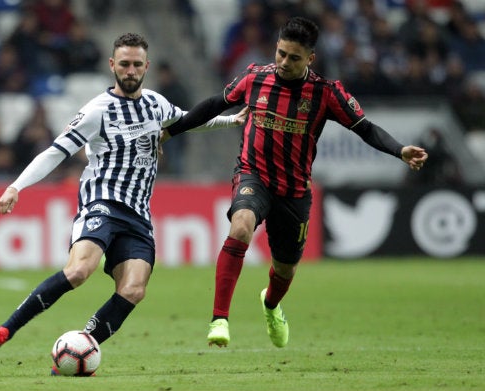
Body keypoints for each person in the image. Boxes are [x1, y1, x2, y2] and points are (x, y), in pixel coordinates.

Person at [0, 33, 245, 363]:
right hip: (102, 203)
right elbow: (56, 151)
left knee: (133, 290)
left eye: (137, 65)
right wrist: (16, 186)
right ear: (113, 65)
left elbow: (187, 121)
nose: (130, 70)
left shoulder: (156, 104)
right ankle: (3, 332)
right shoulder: (96, 111)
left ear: (147, 66)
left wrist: (231, 119)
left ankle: (82, 347)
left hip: (138, 216)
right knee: (79, 271)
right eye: (124, 64)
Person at [164, 17, 429, 349]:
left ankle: (271, 304)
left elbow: (366, 128)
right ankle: (219, 318)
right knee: (241, 226)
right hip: (253, 175)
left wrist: (399, 150)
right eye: (280, 53)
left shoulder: (326, 93)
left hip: (294, 192)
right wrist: (171, 131)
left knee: (284, 269)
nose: (284, 63)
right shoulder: (254, 78)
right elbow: (214, 105)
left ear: (310, 59)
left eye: (293, 57)